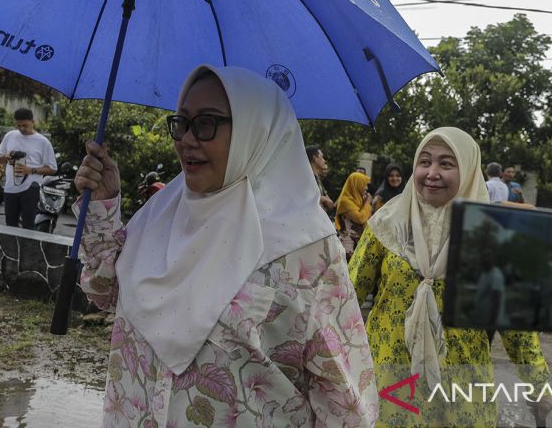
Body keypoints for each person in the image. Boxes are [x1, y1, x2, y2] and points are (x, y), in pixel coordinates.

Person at [74, 65, 378, 427]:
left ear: (256, 130)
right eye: (182, 123)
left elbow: (345, 405)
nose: (186, 138)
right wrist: (103, 205)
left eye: (206, 123)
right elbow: (104, 291)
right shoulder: (161, 216)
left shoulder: (306, 249)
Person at [349, 127, 551, 427]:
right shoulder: (387, 224)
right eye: (425, 162)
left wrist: (536, 381)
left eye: (446, 164)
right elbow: (347, 296)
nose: (432, 173)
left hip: (460, 385)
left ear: (468, 170)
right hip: (391, 377)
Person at [0, 108, 56, 229]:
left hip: (30, 188)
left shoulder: (42, 142)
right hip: (10, 188)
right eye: (19, 126)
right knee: (10, 225)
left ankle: (27, 248)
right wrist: (6, 157)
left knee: (28, 225)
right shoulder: (10, 136)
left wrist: (30, 170)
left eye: (25, 125)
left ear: (33, 122)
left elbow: (52, 169)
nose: (22, 128)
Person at [335, 171, 372, 261]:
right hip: (348, 244)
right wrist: (367, 203)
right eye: (364, 184)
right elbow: (360, 218)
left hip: (359, 242)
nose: (366, 188)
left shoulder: (359, 199)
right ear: (356, 184)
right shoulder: (345, 201)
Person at [306, 145, 336, 212]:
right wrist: (323, 199)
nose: (324, 160)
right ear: (314, 158)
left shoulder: (317, 179)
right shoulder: (305, 178)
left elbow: (330, 204)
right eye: (322, 157)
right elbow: (303, 198)